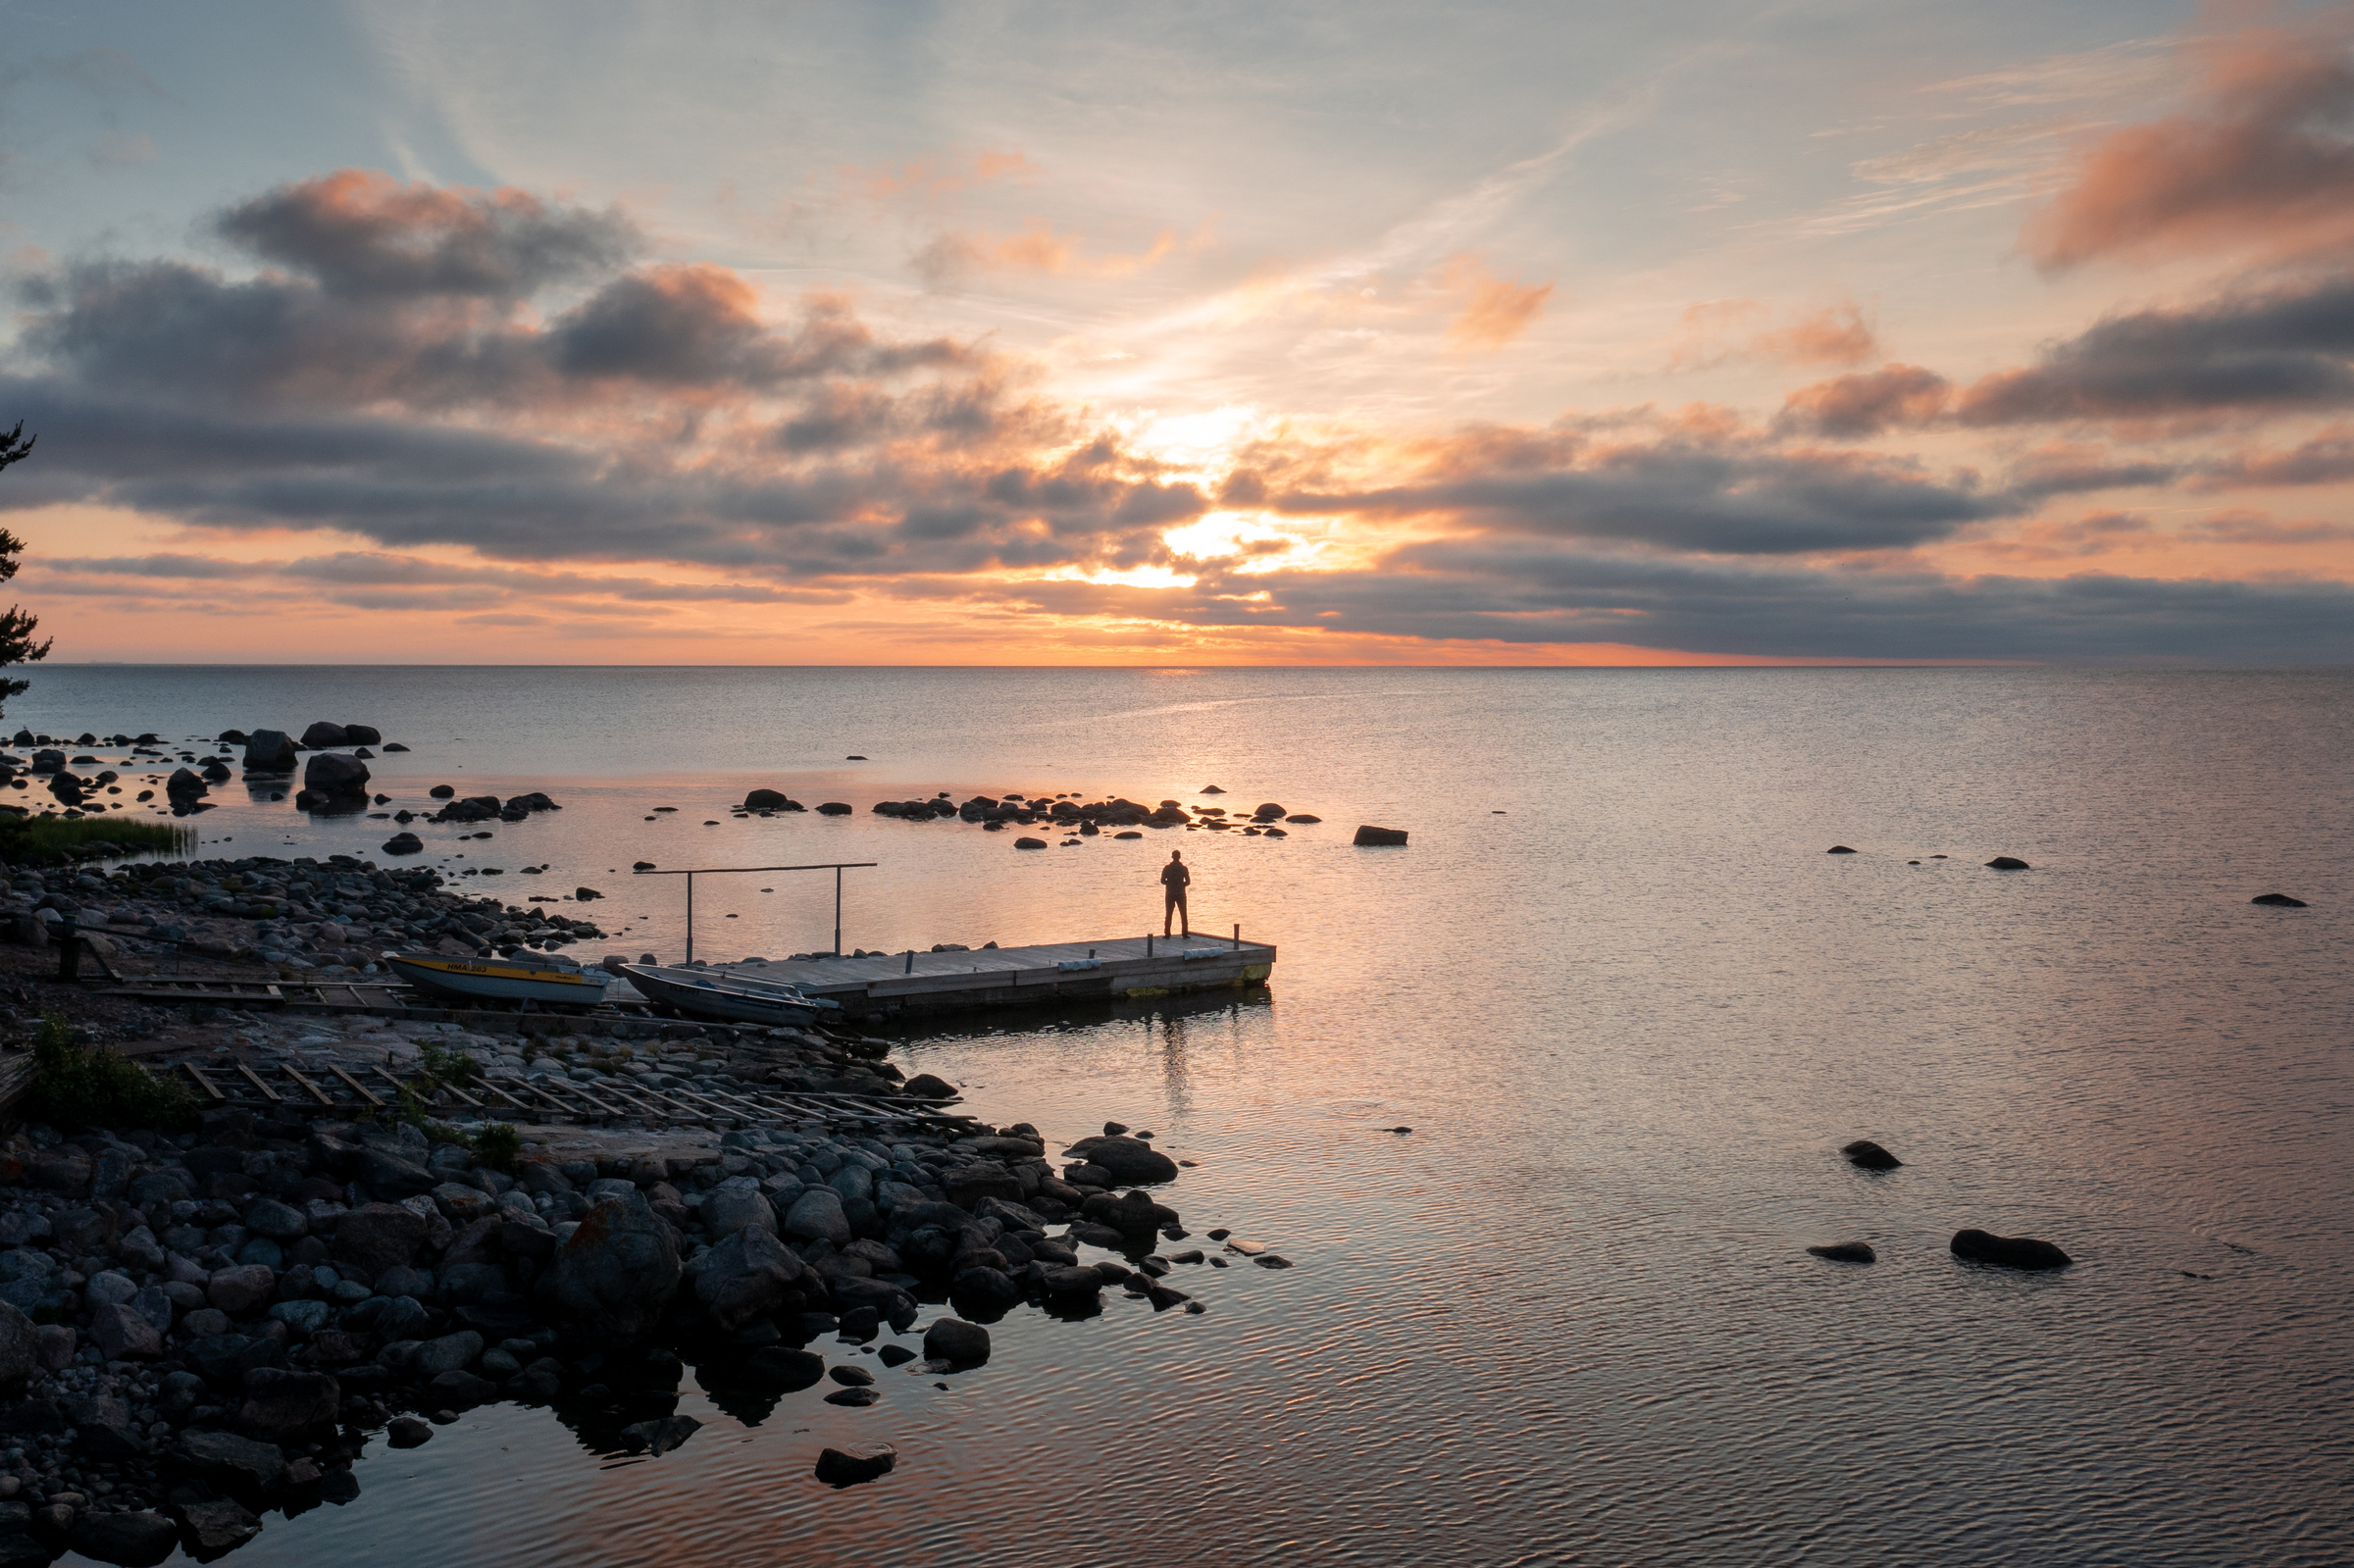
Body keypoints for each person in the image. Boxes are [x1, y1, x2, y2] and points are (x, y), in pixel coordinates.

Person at [1160, 849, 1191, 936]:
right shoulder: (1183, 868)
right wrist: (1181, 885)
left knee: (1169, 913)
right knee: (1183, 913)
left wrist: (1169, 884)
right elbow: (1188, 882)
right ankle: (1185, 934)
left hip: (1170, 893)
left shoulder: (1167, 868)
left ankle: (1167, 933)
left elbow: (1162, 881)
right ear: (1179, 857)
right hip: (1181, 893)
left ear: (1172, 857)